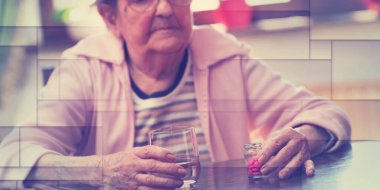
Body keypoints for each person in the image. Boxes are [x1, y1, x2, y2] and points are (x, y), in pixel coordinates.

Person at [0, 0, 351, 189]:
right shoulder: (84, 68)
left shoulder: (222, 54)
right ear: (111, 18)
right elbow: (12, 158)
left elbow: (324, 113)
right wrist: (103, 171)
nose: (165, 8)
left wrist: (303, 137)